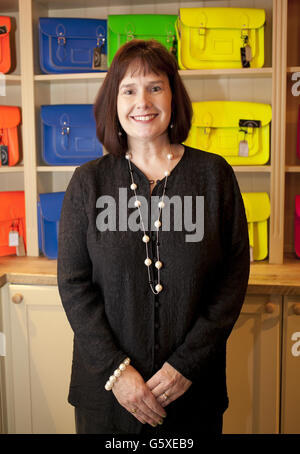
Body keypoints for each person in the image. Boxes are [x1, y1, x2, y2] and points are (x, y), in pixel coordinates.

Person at [57, 39, 250, 435]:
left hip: (192, 394)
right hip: (107, 395)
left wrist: (187, 365)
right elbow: (74, 285)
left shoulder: (214, 176)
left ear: (173, 96)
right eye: (129, 90)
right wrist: (117, 370)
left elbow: (232, 278)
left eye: (155, 87)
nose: (142, 101)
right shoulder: (88, 182)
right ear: (114, 102)